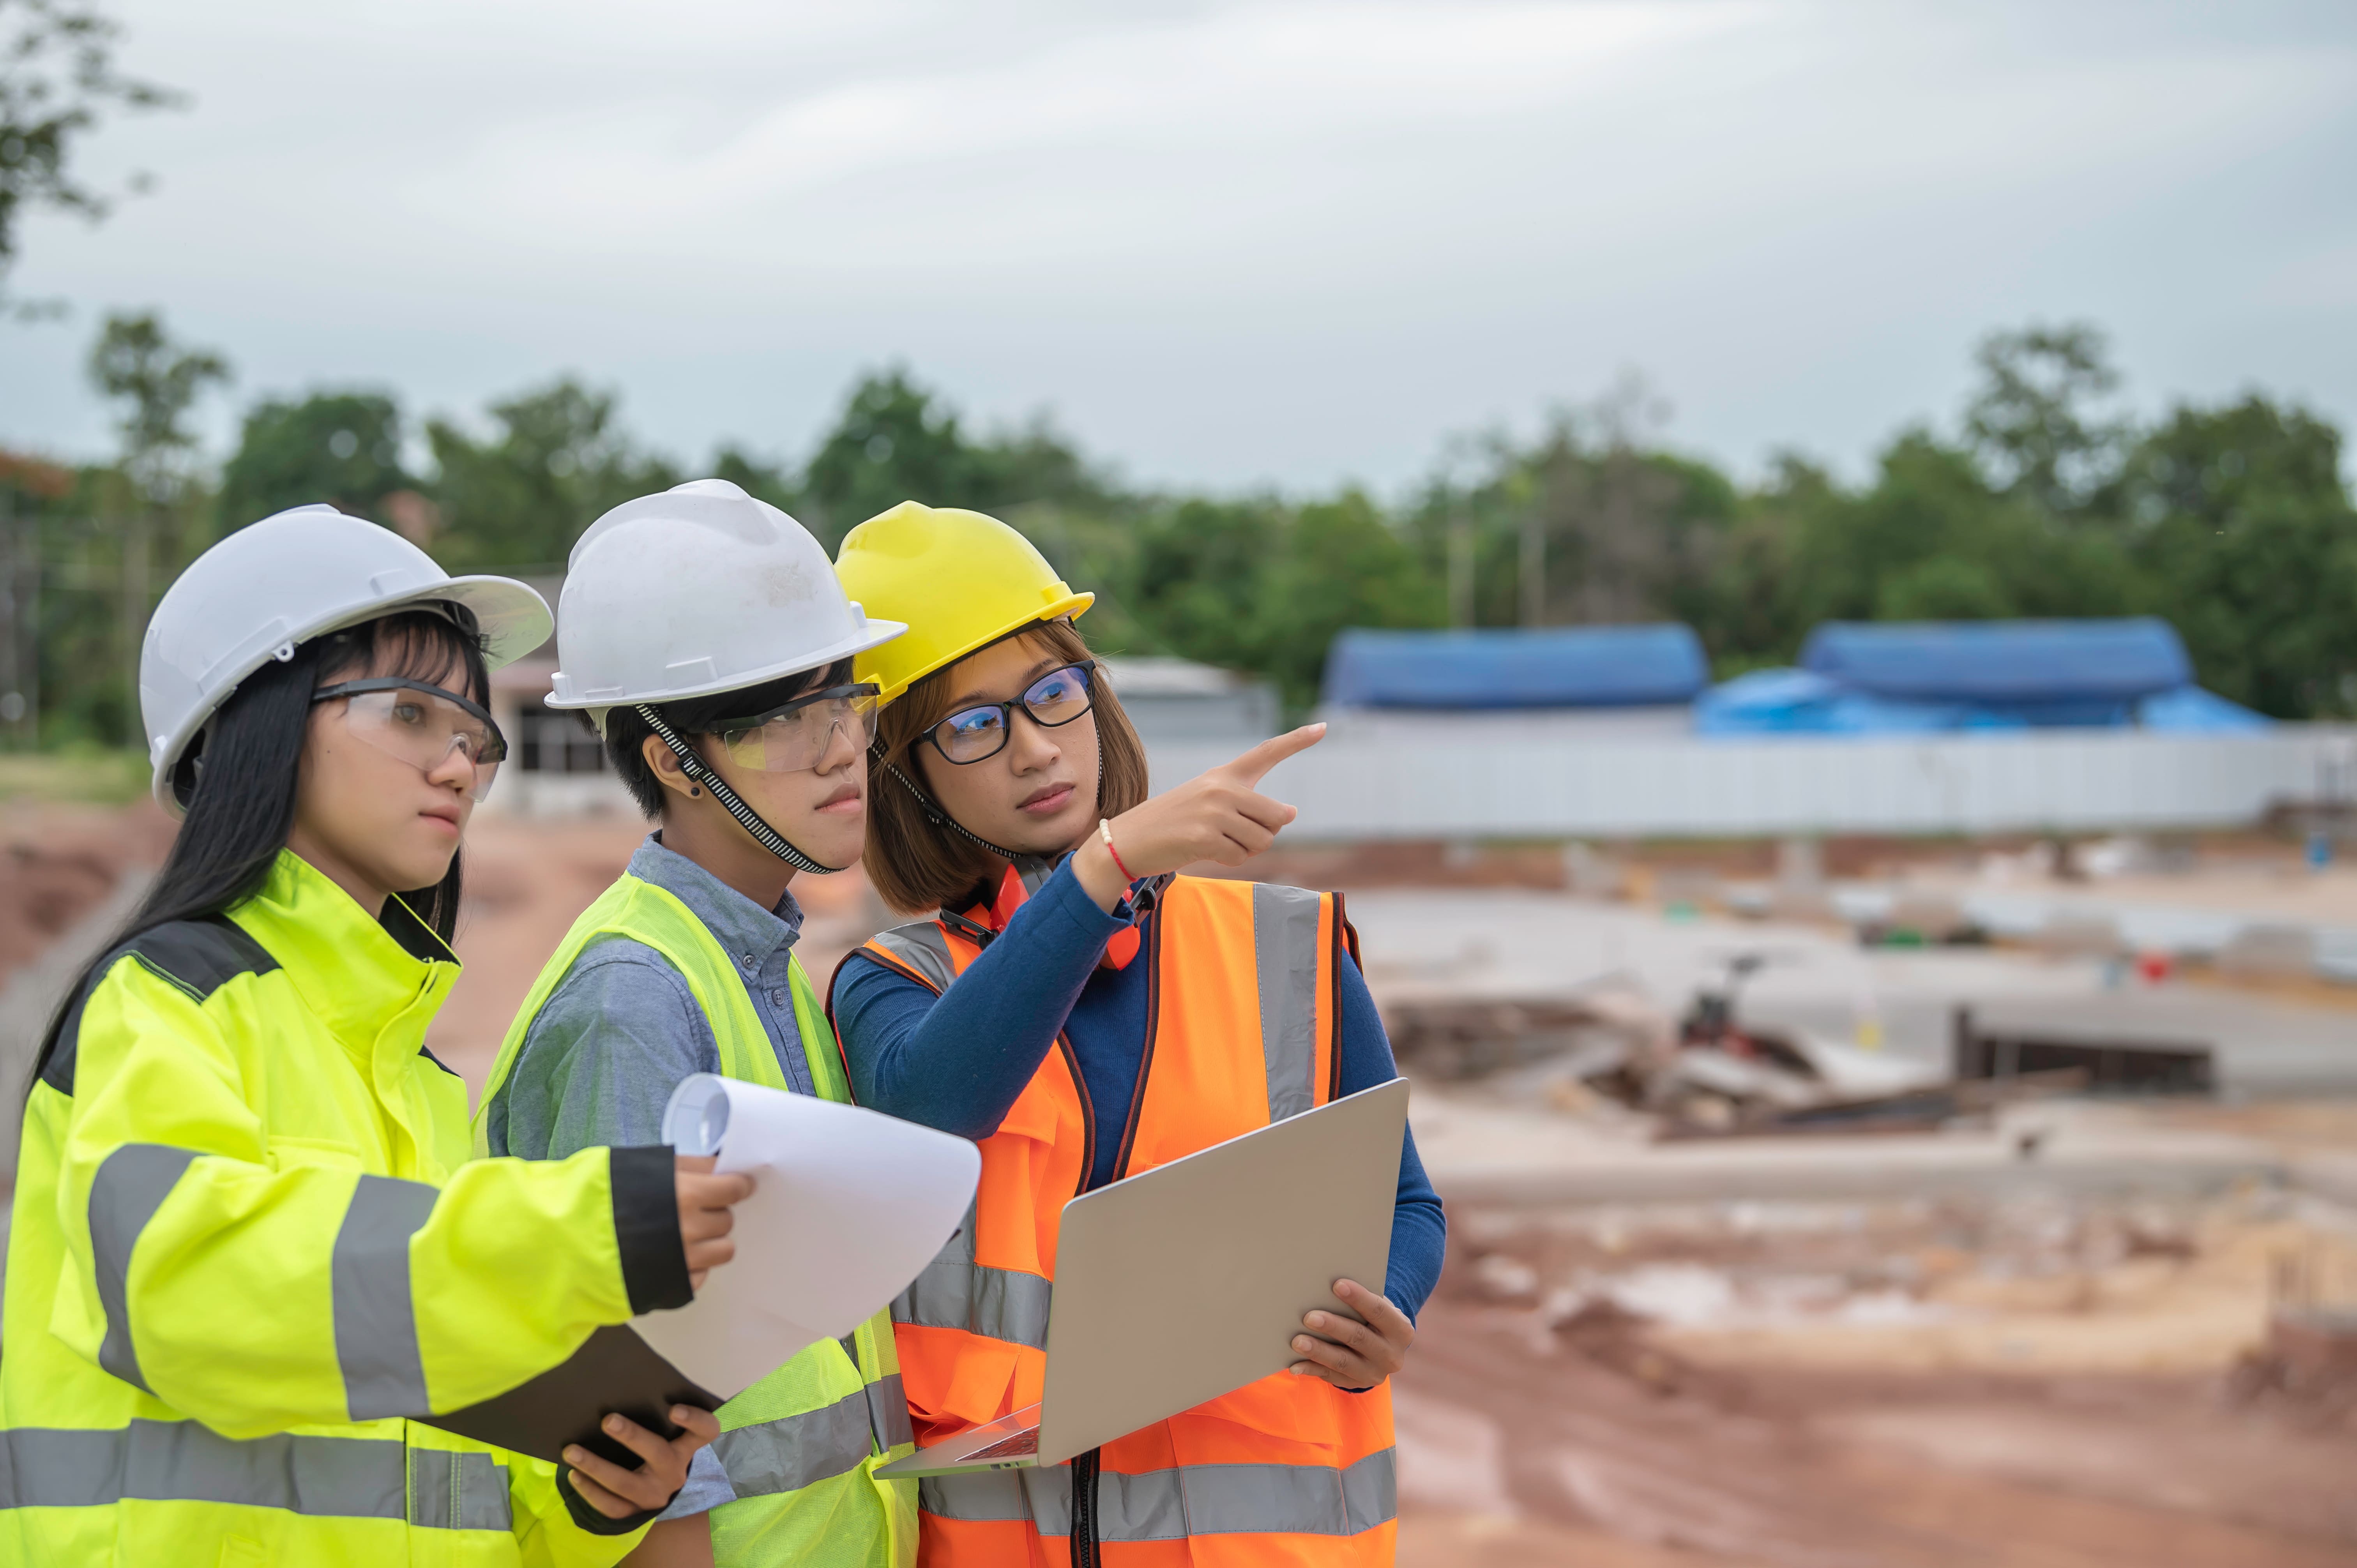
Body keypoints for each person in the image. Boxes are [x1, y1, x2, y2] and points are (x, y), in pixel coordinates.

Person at [0, 507, 752, 1566]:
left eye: (471, 738)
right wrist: (574, 1233)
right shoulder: (166, 1004)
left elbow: (451, 1490)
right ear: (259, 721)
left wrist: (591, 1499)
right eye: (409, 714)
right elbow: (194, 1299)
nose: (458, 767)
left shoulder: (423, 1083)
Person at [829, 501, 1447, 1566]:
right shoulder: (895, 986)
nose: (1033, 750)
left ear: (1095, 699)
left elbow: (1404, 1201)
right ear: (907, 776)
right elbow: (936, 1107)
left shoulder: (1289, 951)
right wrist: (1102, 873)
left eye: (1052, 695)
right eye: (973, 725)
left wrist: (1381, 1310)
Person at [476, 479, 918, 1568]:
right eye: (782, 724)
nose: (836, 753)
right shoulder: (636, 998)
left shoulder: (760, 960)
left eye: (843, 708)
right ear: (673, 758)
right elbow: (626, 1411)